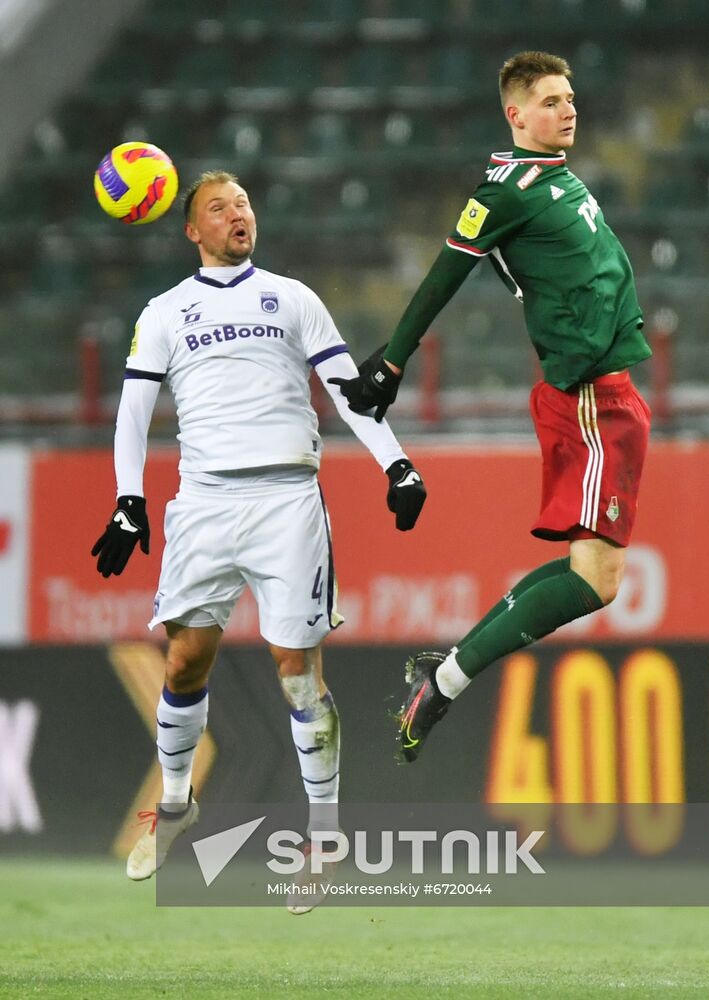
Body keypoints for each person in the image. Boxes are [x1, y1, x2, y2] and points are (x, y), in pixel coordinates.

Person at [91, 170, 427, 911]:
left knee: (297, 672)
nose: (237, 213)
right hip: (205, 501)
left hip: (286, 498)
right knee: (183, 662)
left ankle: (323, 838)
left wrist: (396, 462)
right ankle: (176, 805)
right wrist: (127, 502)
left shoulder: (293, 297)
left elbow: (348, 388)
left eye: (243, 202)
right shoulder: (166, 313)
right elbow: (131, 414)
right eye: (219, 207)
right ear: (192, 230)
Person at [329, 51, 652, 762]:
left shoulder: (553, 179)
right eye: (549, 101)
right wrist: (390, 360)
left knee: (588, 575)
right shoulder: (503, 191)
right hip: (594, 398)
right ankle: (443, 682)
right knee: (596, 580)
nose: (567, 109)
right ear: (515, 114)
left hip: (609, 397)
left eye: (570, 97)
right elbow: (447, 269)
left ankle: (441, 676)